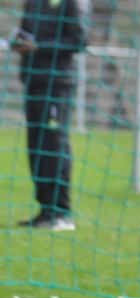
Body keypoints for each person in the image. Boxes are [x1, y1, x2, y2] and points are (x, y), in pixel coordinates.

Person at [13, 0, 90, 231]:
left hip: (57, 83)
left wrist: (39, 46)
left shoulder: (71, 3)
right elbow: (26, 33)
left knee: (54, 144)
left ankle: (61, 213)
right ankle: (45, 210)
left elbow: (79, 41)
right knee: (36, 146)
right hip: (33, 80)